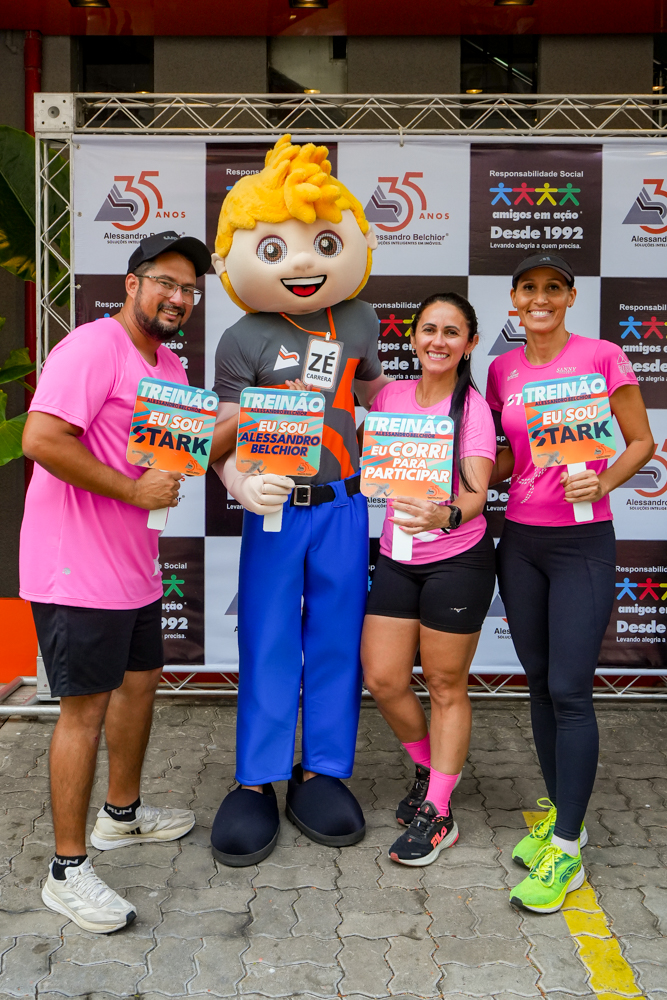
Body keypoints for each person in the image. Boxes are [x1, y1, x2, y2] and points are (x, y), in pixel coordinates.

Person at [20, 231, 234, 934]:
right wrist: (130, 491)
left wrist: (253, 417)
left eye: (189, 289)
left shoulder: (169, 363)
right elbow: (42, 439)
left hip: (133, 571)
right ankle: (67, 869)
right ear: (133, 282)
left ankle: (121, 816)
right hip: (73, 567)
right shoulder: (90, 346)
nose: (178, 297)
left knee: (140, 685)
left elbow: (183, 455)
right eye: (166, 282)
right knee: (83, 711)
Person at [208, 135, 390, 865]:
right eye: (279, 249)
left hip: (345, 507)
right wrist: (238, 484)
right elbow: (217, 438)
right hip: (275, 510)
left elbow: (375, 397)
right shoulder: (239, 337)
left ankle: (322, 771)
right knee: (268, 638)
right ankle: (255, 780)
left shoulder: (362, 320)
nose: (308, 262)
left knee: (337, 640)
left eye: (321, 242)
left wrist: (402, 444)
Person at [486, 253, 654, 913]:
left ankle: (566, 852)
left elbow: (639, 441)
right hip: (520, 540)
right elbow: (505, 456)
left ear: (570, 296)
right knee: (536, 683)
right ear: (511, 301)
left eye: (551, 288)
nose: (539, 298)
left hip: (582, 540)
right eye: (527, 288)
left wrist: (603, 478)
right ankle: (567, 823)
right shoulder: (502, 368)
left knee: (569, 690)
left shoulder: (602, 355)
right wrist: (462, 472)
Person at [362, 293, 497, 866]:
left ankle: (439, 810)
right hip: (397, 555)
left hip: (457, 560)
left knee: (444, 685)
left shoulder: (474, 410)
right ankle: (427, 765)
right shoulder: (390, 396)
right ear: (413, 338)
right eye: (428, 330)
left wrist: (444, 515)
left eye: (452, 332)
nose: (438, 341)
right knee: (384, 678)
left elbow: (476, 495)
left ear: (468, 344)